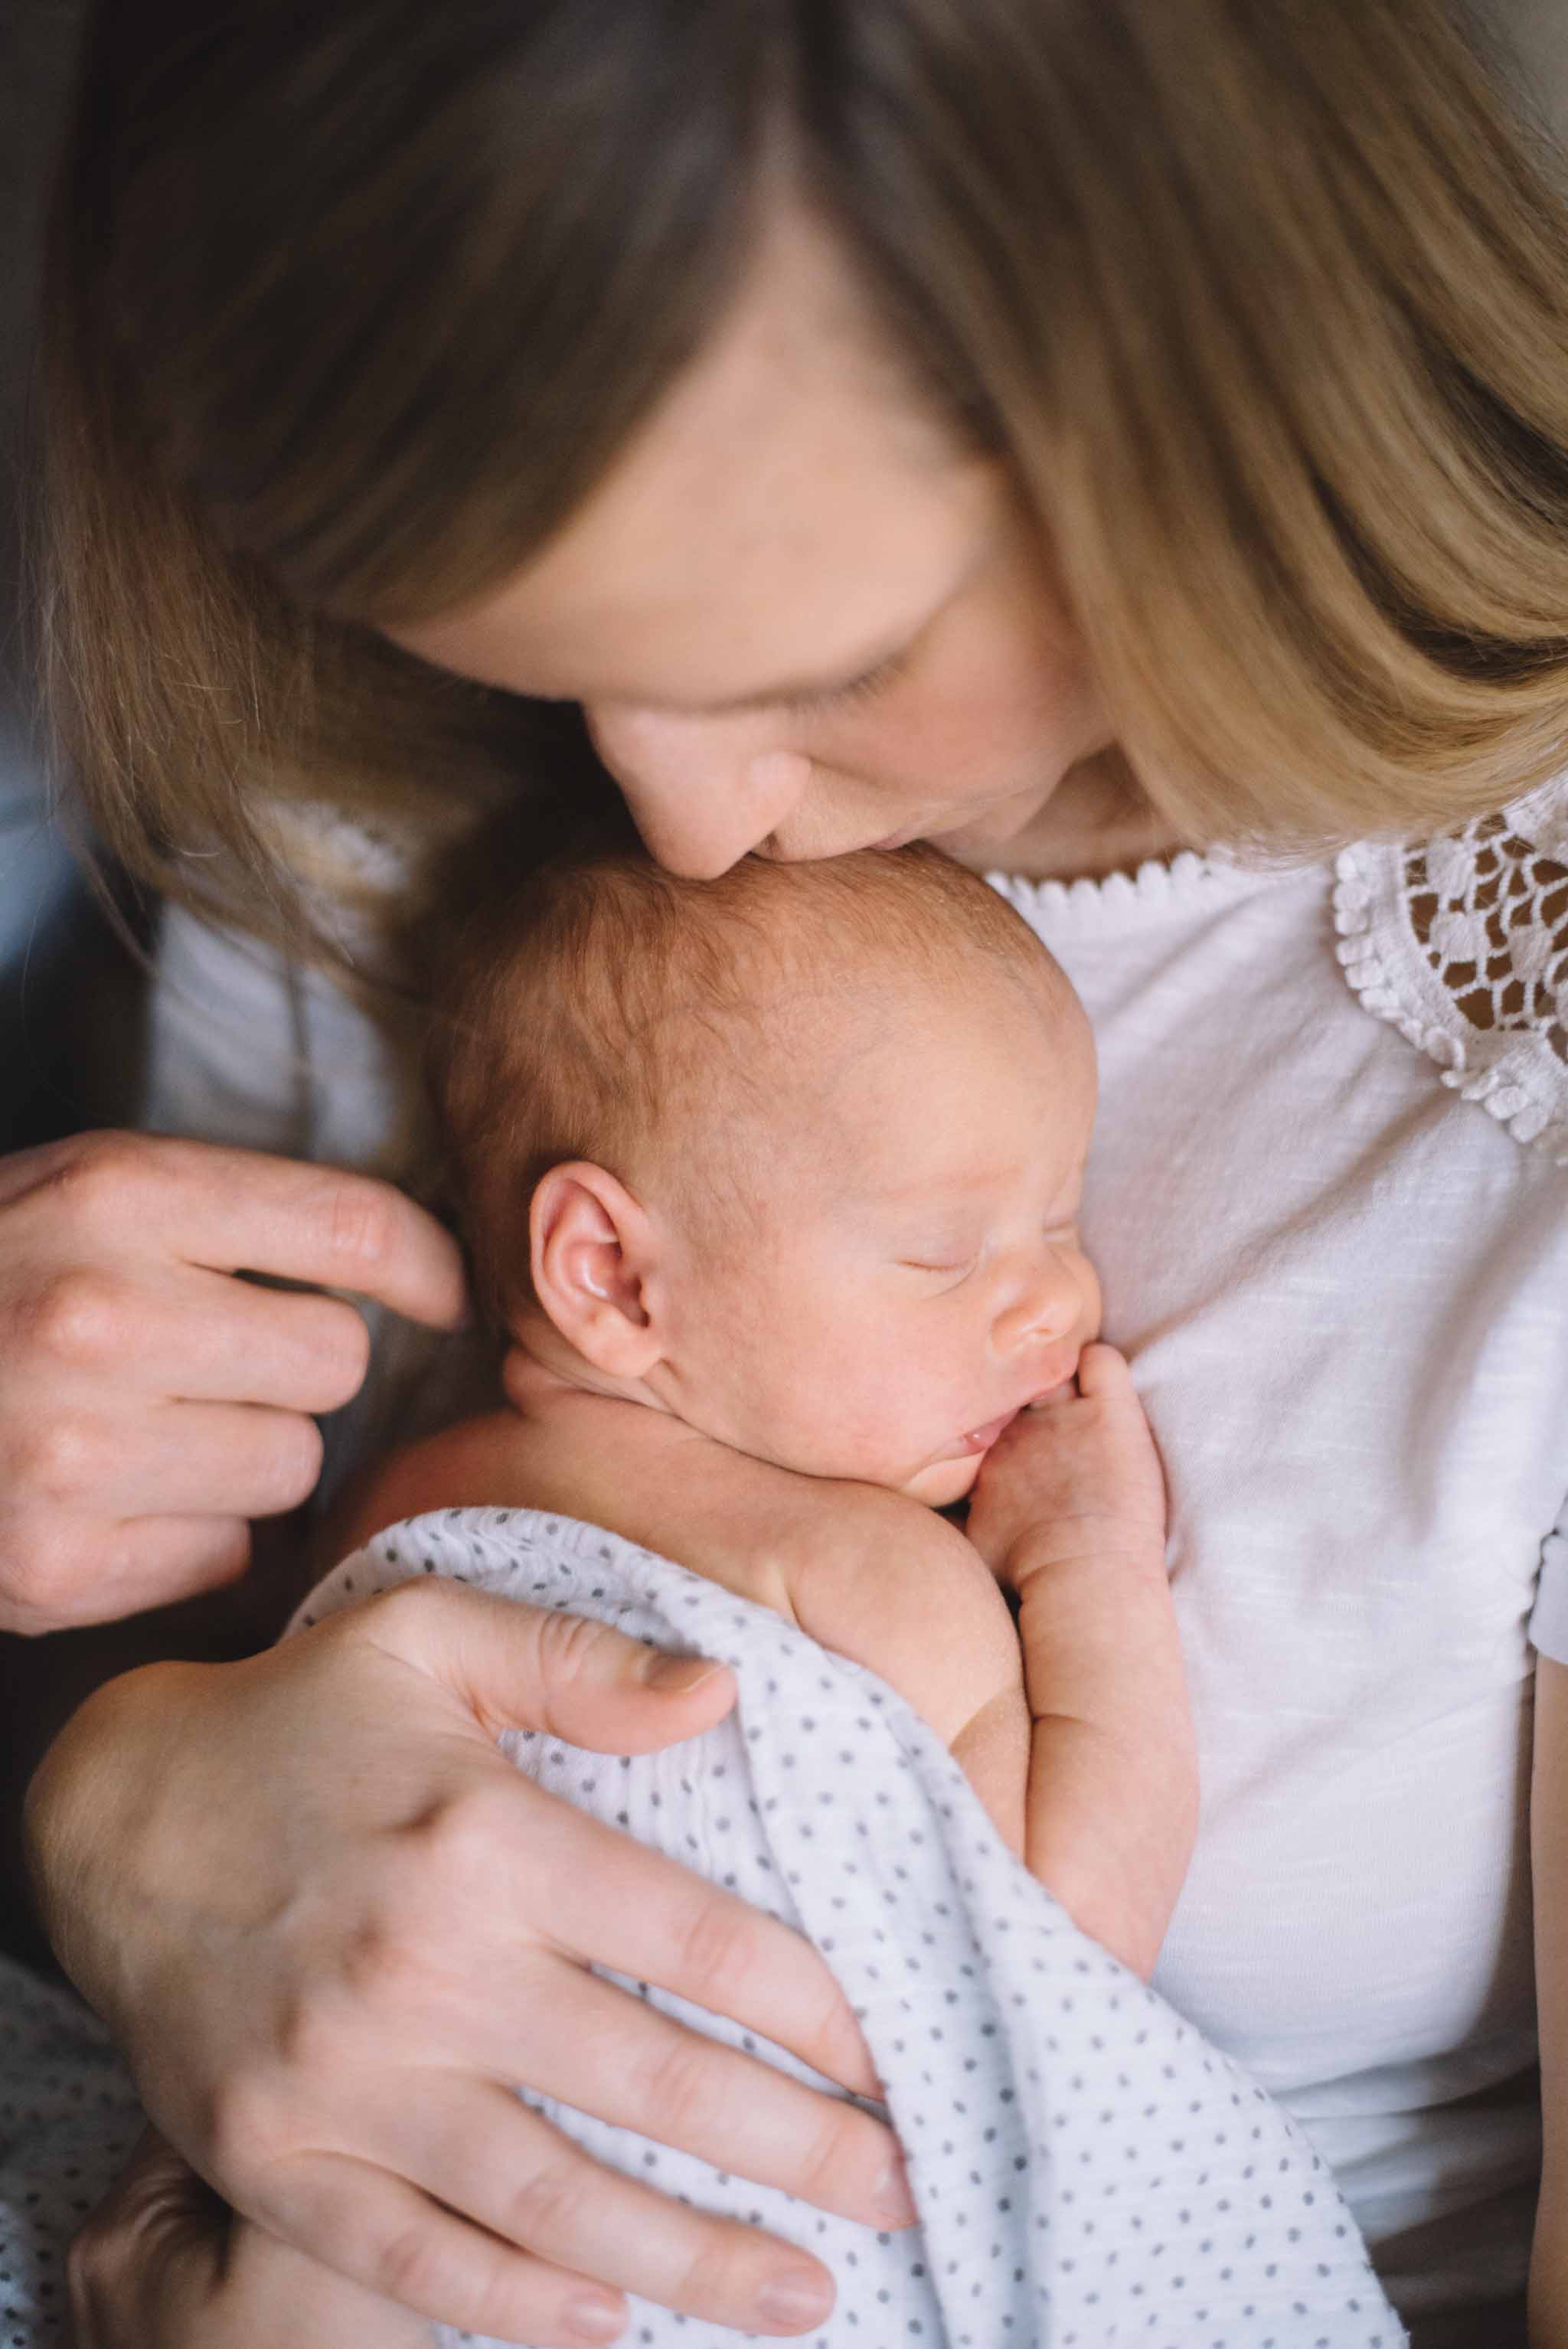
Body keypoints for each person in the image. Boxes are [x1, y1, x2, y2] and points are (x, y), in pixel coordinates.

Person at [10, 3, 1568, 2344]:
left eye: (820, 658)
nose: (679, 821)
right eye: (552, 669)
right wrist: (102, 1784)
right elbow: (217, 1652)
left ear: (1199, 364)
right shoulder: (373, 778)